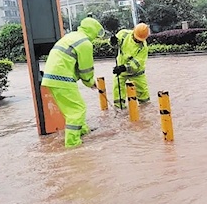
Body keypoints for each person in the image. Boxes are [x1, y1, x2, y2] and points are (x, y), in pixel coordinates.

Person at [41, 16, 104, 148]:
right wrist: (90, 82)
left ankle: (83, 131)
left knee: (71, 110)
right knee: (77, 109)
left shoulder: (73, 36)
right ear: (93, 30)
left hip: (51, 78)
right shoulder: (85, 43)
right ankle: (73, 144)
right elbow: (86, 69)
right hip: (62, 77)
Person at [110, 22, 151, 109]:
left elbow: (136, 63)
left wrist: (123, 67)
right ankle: (119, 108)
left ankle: (145, 109)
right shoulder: (123, 34)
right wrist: (112, 42)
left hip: (137, 73)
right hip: (121, 71)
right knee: (118, 89)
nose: (137, 41)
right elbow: (115, 44)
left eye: (140, 40)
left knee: (143, 93)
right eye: (136, 39)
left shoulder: (143, 47)